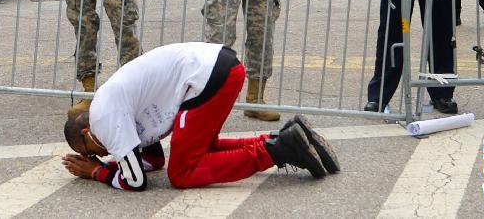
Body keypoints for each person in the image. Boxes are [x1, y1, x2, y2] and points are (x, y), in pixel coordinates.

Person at [62, 42, 336, 191]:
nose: (102, 153)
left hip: (205, 77)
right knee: (203, 149)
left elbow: (135, 182)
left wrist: (97, 172)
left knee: (182, 173)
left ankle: (278, 150)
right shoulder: (110, 105)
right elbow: (154, 160)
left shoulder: (102, 120)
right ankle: (289, 137)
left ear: (88, 133)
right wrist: (112, 167)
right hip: (216, 68)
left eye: (91, 152)